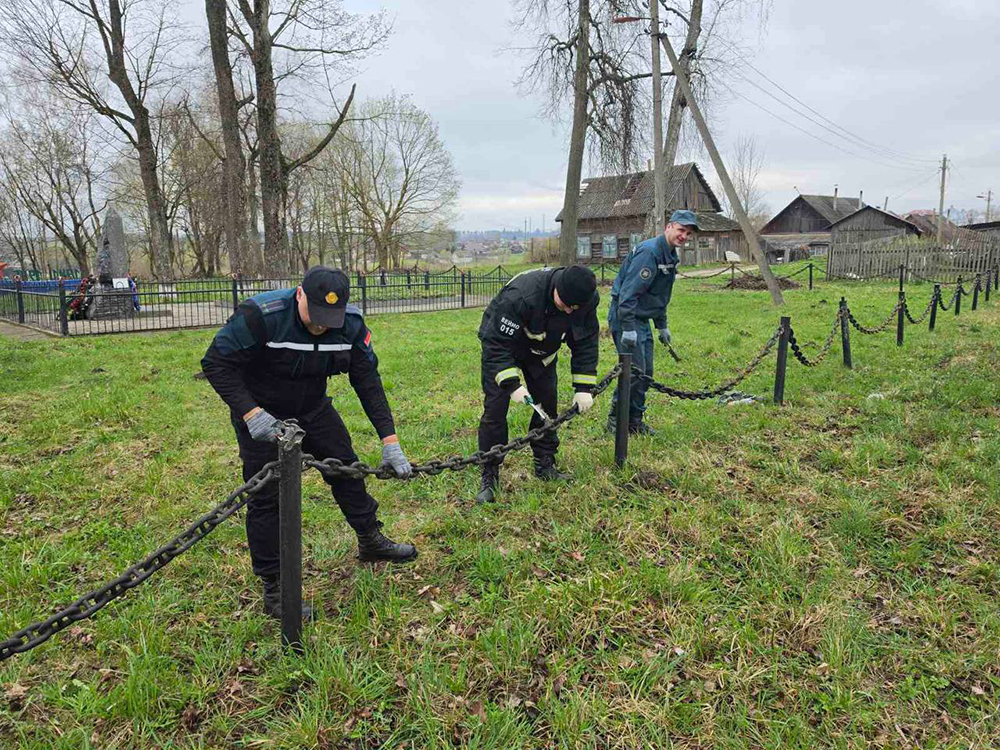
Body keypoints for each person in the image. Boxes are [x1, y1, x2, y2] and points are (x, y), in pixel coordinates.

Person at [201, 266, 417, 620]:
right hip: (261, 412)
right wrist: (251, 413)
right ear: (299, 294)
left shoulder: (349, 325)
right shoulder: (261, 316)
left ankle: (370, 539)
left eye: (328, 320)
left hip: (312, 408)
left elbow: (367, 381)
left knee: (346, 468)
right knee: (266, 495)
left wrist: (389, 439)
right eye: (315, 316)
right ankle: (274, 585)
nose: (320, 326)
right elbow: (216, 363)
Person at [475, 264, 600, 504]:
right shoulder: (521, 295)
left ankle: (545, 463)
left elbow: (585, 342)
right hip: (504, 346)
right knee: (495, 409)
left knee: (547, 406)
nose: (569, 311)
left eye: (574, 309)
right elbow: (496, 345)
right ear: (556, 289)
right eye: (564, 305)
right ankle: (489, 473)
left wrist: (583, 387)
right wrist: (511, 384)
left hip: (542, 353)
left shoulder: (584, 301)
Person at [606, 209, 699, 435]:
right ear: (669, 227)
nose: (684, 236)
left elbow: (659, 295)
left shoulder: (670, 255)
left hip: (642, 319)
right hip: (626, 317)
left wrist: (662, 325)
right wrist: (627, 328)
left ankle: (635, 421)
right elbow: (628, 294)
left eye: (688, 233)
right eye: (681, 230)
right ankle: (616, 422)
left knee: (646, 373)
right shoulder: (649, 253)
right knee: (634, 372)